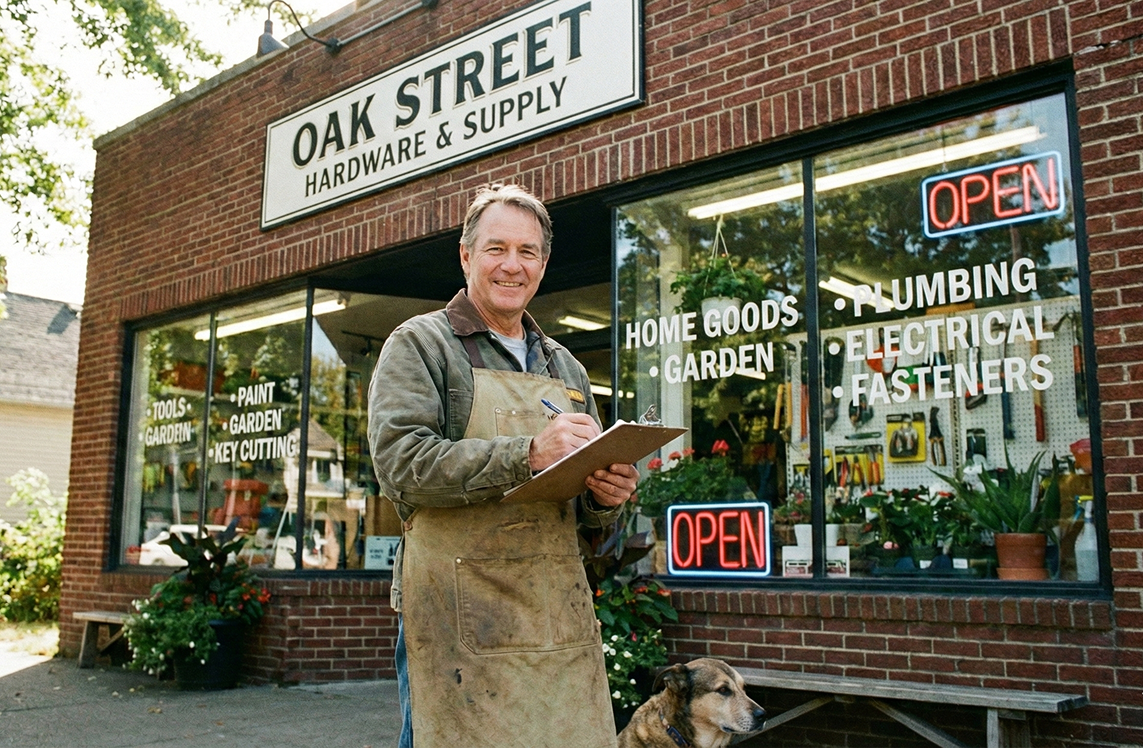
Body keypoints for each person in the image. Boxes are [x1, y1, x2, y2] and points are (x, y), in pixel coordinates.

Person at [368, 183, 639, 748]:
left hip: (554, 612)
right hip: (458, 619)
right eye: (496, 249)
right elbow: (401, 463)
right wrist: (528, 454)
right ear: (466, 256)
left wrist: (602, 497)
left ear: (543, 264)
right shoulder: (421, 345)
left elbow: (581, 512)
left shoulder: (564, 365)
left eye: (528, 252)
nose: (512, 266)